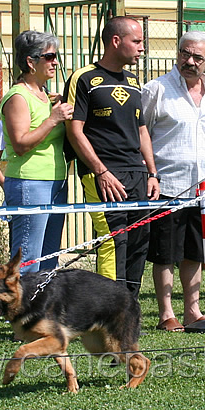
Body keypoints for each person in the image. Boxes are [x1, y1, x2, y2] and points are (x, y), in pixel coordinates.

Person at [65, 16, 160, 299]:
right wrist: (100, 171)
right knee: (113, 241)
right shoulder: (84, 78)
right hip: (104, 175)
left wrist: (152, 173)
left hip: (138, 174)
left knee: (139, 242)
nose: (142, 48)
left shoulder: (133, 81)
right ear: (116, 41)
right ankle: (110, 311)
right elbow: (75, 131)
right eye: (137, 41)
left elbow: (141, 130)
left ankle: (128, 308)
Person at [142, 31, 205, 331]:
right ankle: (166, 314)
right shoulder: (157, 89)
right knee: (165, 252)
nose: (189, 61)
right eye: (184, 54)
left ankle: (193, 311)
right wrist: (151, 174)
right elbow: (143, 133)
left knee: (195, 250)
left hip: (203, 187)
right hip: (167, 184)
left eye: (197, 57)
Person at [0, 30, 74, 274]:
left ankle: (40, 310)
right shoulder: (18, 97)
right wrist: (53, 120)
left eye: (56, 56)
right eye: (49, 56)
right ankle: (17, 311)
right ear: (31, 62)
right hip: (29, 183)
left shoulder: (45, 95)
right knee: (28, 257)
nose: (55, 62)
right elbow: (20, 144)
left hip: (55, 182)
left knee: (49, 257)